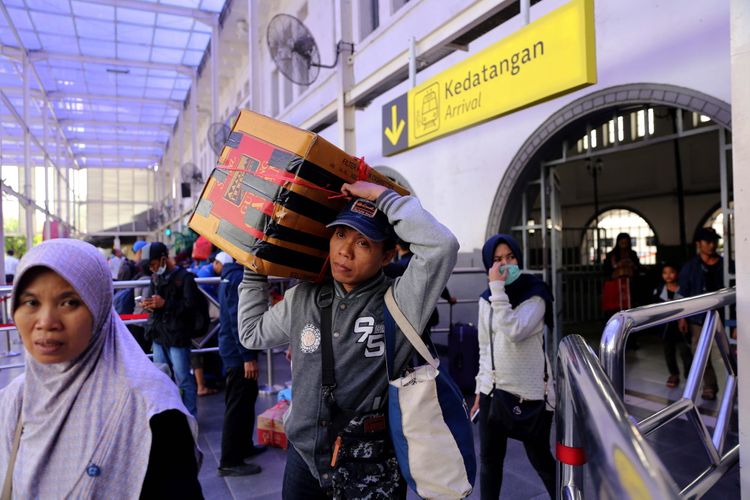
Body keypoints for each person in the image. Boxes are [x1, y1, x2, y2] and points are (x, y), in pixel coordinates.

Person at [238, 181, 459, 499]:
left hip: (371, 461)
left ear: (386, 257)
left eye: (364, 243)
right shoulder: (304, 297)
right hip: (304, 458)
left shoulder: (400, 301)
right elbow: (252, 332)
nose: (345, 250)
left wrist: (382, 197)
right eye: (340, 234)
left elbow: (442, 246)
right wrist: (253, 269)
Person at [0, 239, 202, 499]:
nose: (46, 322)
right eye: (31, 302)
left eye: (69, 302)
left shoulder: (150, 412)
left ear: (100, 305)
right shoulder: (13, 401)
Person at [470, 233, 555, 499]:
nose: (506, 264)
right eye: (497, 260)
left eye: (511, 257)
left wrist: (497, 290)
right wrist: (479, 388)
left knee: (541, 459)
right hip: (493, 391)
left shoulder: (536, 294)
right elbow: (485, 346)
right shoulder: (486, 300)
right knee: (489, 462)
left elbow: (514, 330)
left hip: (529, 394)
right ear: (488, 265)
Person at [216, 251, 265, 477]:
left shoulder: (229, 275)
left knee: (246, 399)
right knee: (237, 405)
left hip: (232, 349)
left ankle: (244, 446)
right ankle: (229, 461)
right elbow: (240, 321)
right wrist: (247, 357)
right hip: (238, 354)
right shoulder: (237, 278)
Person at [141, 242, 200, 415]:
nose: (152, 269)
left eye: (153, 264)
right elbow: (157, 304)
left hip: (178, 337)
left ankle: (190, 417)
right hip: (159, 335)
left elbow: (191, 308)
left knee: (183, 378)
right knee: (161, 378)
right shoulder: (156, 278)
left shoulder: (186, 278)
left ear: (163, 259)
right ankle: (169, 417)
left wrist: (165, 304)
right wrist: (150, 305)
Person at [678, 226, 724, 401]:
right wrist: (681, 317)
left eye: (714, 241)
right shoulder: (690, 267)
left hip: (723, 317)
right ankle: (710, 386)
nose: (712, 245)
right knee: (701, 353)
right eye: (707, 241)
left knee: (733, 353)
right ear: (699, 244)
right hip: (698, 318)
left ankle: (738, 385)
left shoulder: (725, 265)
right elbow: (682, 293)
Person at [652, 262, 692, 388]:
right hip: (666, 327)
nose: (668, 275)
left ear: (677, 273)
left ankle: (689, 376)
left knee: (685, 351)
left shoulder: (684, 289)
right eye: (665, 273)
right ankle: (674, 374)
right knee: (669, 352)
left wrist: (684, 318)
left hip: (681, 326)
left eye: (671, 272)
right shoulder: (659, 291)